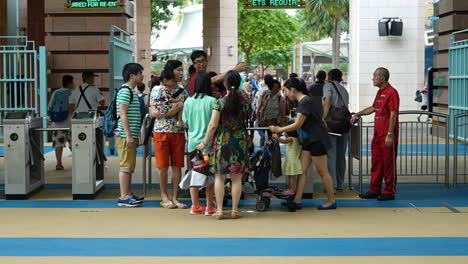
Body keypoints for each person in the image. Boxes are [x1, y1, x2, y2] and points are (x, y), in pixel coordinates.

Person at [269, 77, 336, 210]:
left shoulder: (305, 102)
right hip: (309, 140)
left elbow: (298, 124)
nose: (285, 94)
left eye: (286, 91)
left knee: (323, 172)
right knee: (302, 171)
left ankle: (331, 201)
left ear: (293, 89)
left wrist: (279, 129)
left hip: (317, 140)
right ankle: (297, 200)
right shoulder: (303, 102)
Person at [197, 71, 251, 220]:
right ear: (239, 83)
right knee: (236, 178)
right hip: (239, 142)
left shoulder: (219, 102)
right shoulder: (245, 102)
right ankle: (234, 210)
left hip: (222, 142)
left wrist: (204, 143)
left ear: (225, 84)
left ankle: (220, 210)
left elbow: (213, 125)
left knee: (219, 177)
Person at [351, 68, 400, 201]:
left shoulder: (392, 92)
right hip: (378, 135)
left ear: (382, 78)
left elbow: (393, 113)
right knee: (376, 162)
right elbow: (374, 108)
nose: (373, 78)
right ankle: (375, 189)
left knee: (388, 164)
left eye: (374, 76)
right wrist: (358, 114)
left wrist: (390, 133)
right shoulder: (380, 92)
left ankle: (389, 191)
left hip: (386, 135)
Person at [150, 60, 189, 209]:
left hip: (178, 132)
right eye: (178, 70)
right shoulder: (158, 90)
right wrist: (173, 111)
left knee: (177, 165)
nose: (181, 73)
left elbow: (185, 112)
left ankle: (175, 197)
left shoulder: (183, 91)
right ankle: (164, 195)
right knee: (163, 166)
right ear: (170, 72)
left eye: (182, 70)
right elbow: (154, 112)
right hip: (161, 132)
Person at [182, 72, 217, 215]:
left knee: (194, 173)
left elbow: (185, 123)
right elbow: (214, 124)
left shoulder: (188, 101)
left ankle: (195, 205)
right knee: (209, 175)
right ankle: (209, 206)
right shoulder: (212, 101)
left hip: (192, 145)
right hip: (207, 144)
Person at [115, 63, 145, 207]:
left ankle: (128, 193)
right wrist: (128, 135)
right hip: (124, 134)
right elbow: (122, 113)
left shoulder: (130, 91)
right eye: (140, 73)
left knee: (129, 165)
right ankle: (124, 196)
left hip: (129, 133)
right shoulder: (126, 91)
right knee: (126, 165)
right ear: (132, 75)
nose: (142, 76)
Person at [322, 69, 350, 191]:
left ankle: (331, 184)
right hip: (344, 124)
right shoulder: (344, 89)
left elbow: (327, 102)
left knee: (331, 154)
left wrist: (324, 119)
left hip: (332, 124)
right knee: (341, 155)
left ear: (329, 76)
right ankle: (340, 183)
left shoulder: (328, 85)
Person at [48, 75, 75, 170]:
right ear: (70, 83)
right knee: (75, 144)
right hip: (71, 123)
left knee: (58, 144)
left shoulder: (56, 92)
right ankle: (77, 162)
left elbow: (50, 107)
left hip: (57, 123)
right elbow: (72, 108)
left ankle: (59, 164)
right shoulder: (73, 93)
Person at [272, 126, 302, 195]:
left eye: (285, 131)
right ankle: (290, 188)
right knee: (290, 177)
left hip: (292, 161)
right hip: (293, 160)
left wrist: (276, 138)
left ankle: (291, 190)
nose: (283, 132)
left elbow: (284, 141)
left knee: (291, 177)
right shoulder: (295, 138)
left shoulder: (291, 139)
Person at [257, 75, 286, 146]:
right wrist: (260, 118)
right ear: (270, 87)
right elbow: (263, 108)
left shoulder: (280, 99)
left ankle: (274, 156)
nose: (276, 89)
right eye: (274, 87)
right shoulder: (266, 96)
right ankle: (268, 156)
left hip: (276, 124)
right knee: (267, 141)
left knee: (275, 143)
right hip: (266, 123)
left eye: (278, 87)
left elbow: (283, 114)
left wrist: (281, 128)